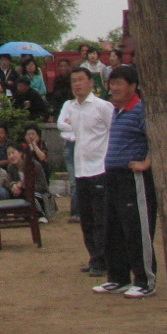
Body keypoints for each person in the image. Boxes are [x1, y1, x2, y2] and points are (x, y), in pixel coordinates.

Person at [95, 66, 157, 299]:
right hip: (113, 176)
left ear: (133, 86)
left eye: (119, 83)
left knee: (136, 229)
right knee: (114, 229)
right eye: (112, 83)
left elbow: (157, 139)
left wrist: (147, 162)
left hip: (134, 179)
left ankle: (145, 280)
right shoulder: (117, 111)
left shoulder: (142, 110)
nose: (114, 88)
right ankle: (118, 277)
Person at [59, 67, 114, 276]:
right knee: (87, 217)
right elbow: (65, 128)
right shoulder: (71, 108)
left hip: (100, 168)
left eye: (81, 80)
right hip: (81, 169)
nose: (77, 84)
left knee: (101, 216)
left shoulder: (102, 106)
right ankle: (93, 256)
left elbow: (113, 131)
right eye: (74, 81)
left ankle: (103, 258)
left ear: (91, 83)